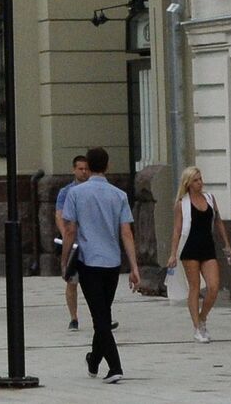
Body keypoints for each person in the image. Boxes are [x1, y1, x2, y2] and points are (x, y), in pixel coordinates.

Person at [62, 147, 141, 384]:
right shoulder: (119, 195)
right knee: (103, 313)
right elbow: (126, 232)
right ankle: (94, 358)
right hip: (112, 263)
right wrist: (134, 266)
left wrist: (64, 258)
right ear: (107, 166)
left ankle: (115, 367)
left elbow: (70, 230)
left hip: (89, 261)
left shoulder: (76, 193)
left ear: (89, 165)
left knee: (100, 317)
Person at [165, 166, 231, 342]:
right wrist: (173, 254)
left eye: (200, 179)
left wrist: (226, 243)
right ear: (188, 183)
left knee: (213, 286)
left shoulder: (209, 198)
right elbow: (177, 230)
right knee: (194, 287)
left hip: (208, 246)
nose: (200, 183)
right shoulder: (182, 203)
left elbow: (218, 221)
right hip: (190, 247)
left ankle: (202, 317)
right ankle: (197, 327)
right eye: (195, 180)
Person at [54, 154, 88, 331]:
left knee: (96, 283)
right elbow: (59, 215)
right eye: (80, 169)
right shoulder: (66, 192)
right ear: (74, 169)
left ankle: (104, 315)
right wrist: (65, 234)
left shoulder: (93, 189)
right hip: (74, 244)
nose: (83, 172)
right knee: (72, 281)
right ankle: (73, 317)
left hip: (90, 243)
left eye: (86, 169)